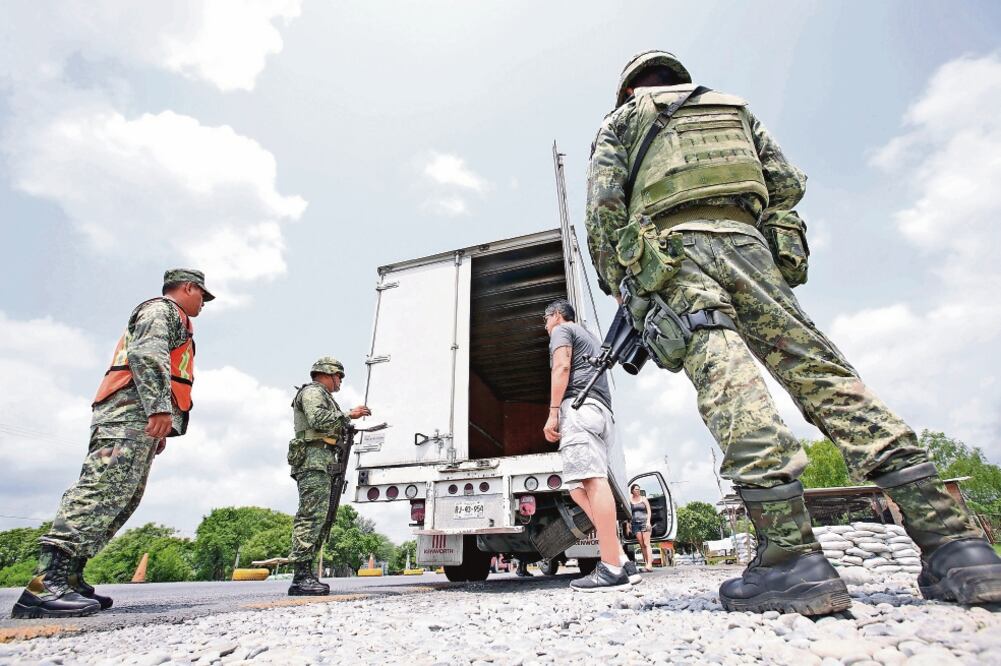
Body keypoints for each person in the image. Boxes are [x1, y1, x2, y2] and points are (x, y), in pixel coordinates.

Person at [584, 50, 1001, 614]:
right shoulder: (733, 109)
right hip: (752, 249)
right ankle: (958, 545)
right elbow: (782, 186)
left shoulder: (622, 121)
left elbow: (604, 213)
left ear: (629, 90)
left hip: (675, 256)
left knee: (727, 378)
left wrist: (624, 282)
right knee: (821, 373)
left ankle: (791, 558)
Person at [11, 269, 214, 619]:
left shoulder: (175, 317)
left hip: (138, 418)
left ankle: (70, 577)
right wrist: (159, 409)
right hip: (128, 413)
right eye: (201, 296)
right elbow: (147, 356)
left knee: (120, 497)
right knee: (100, 489)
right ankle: (43, 586)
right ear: (188, 287)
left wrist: (161, 424)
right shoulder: (160, 310)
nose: (203, 304)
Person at [542, 299, 640, 591]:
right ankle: (622, 560)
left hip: (579, 406)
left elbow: (561, 368)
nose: (545, 327)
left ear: (557, 316)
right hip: (600, 411)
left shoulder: (563, 330)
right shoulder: (590, 336)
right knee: (577, 488)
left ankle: (610, 568)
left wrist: (553, 413)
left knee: (593, 482)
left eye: (545, 321)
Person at [287, 357, 371, 596]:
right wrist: (348, 416)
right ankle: (300, 577)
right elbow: (317, 419)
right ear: (328, 373)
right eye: (340, 376)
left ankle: (306, 574)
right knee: (311, 516)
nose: (341, 381)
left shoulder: (323, 395)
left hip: (323, 463)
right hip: (313, 462)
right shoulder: (313, 392)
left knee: (322, 517)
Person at [625, 484, 654, 572]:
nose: (637, 491)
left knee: (646, 543)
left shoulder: (643, 498)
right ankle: (647, 564)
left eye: (639, 489)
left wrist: (648, 522)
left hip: (644, 522)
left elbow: (649, 511)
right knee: (642, 545)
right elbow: (628, 513)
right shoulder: (630, 500)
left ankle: (649, 565)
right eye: (636, 489)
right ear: (632, 490)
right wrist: (627, 525)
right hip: (635, 524)